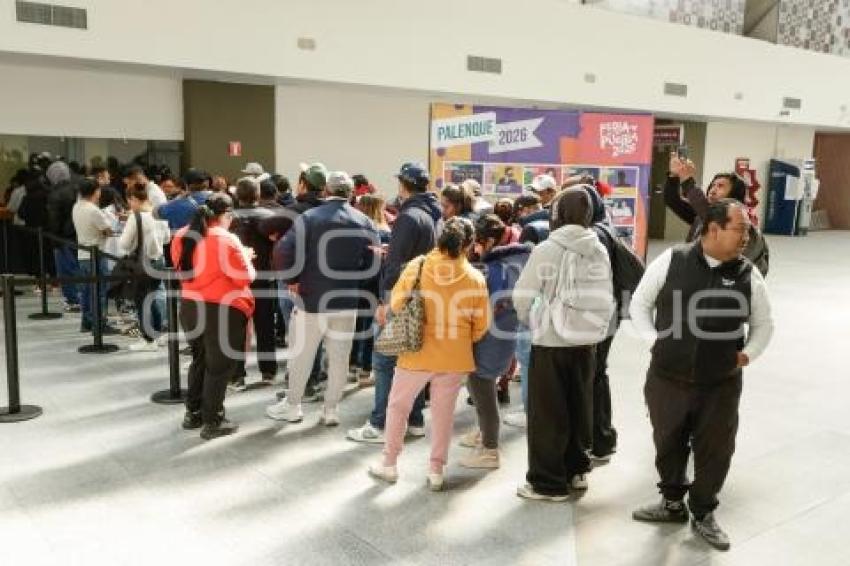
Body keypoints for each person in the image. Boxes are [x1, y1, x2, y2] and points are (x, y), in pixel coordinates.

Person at [630, 199, 773, 551]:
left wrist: (748, 353)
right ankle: (672, 502)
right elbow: (639, 304)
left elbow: (764, 323)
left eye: (748, 230)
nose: (747, 236)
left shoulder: (747, 273)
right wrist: (653, 341)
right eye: (741, 229)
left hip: (719, 384)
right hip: (666, 377)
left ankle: (704, 511)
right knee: (668, 440)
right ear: (713, 229)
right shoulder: (672, 260)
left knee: (715, 449)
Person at [368, 218, 491, 490]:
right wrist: (461, 338)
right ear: (469, 244)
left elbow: (398, 303)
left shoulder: (419, 265)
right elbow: (482, 325)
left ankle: (389, 464)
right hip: (454, 356)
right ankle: (436, 470)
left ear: (439, 238)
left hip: (416, 351)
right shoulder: (475, 277)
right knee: (443, 413)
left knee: (398, 405)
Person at [512, 188, 615, 502]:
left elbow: (523, 296)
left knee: (548, 414)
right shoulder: (599, 248)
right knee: (579, 406)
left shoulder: (548, 248)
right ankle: (577, 470)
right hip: (588, 343)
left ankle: (547, 483)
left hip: (552, 342)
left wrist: (531, 320)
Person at [265, 171, 379, 426]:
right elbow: (374, 262)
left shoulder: (310, 218)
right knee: (339, 359)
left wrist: (292, 280)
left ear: (327, 191)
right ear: (350, 193)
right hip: (346, 302)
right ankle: (331, 411)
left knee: (301, 356)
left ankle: (293, 406)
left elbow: (284, 250)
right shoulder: (364, 221)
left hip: (311, 300)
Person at [347, 162, 441, 444]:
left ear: (404, 185)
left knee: (384, 360)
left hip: (401, 296)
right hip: (421, 294)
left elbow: (398, 265)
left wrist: (385, 300)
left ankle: (380, 424)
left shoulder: (408, 217)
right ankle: (414, 421)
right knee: (408, 360)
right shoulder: (430, 215)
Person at [171, 193, 255, 440]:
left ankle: (193, 413)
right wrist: (246, 257)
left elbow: (182, 267)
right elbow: (245, 277)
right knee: (219, 367)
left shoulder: (181, 235)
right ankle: (213, 421)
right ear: (226, 215)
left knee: (200, 359)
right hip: (222, 309)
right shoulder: (226, 239)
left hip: (189, 307)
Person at [459, 214, 532, 470]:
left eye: (476, 243)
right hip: (506, 333)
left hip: (491, 336)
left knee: (482, 387)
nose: (473, 249)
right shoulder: (519, 258)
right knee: (480, 385)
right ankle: (483, 433)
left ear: (488, 241)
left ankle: (490, 449)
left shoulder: (496, 269)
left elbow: (485, 305)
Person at [665, 154, 769, 275]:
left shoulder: (745, 224)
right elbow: (672, 200)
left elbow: (711, 214)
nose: (713, 190)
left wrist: (687, 180)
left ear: (734, 194)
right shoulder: (702, 217)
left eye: (720, 186)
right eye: (712, 185)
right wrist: (673, 176)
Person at [230, 177, 278, 386]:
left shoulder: (229, 219)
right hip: (265, 278)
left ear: (237, 195)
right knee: (266, 325)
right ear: (258, 194)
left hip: (236, 281)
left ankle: (237, 375)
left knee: (237, 328)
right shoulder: (271, 217)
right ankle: (268, 371)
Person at [119, 182, 171, 352]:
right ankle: (158, 334)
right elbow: (167, 239)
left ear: (133, 198)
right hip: (159, 261)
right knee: (155, 298)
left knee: (142, 301)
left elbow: (124, 244)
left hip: (142, 263)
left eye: (129, 200)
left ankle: (148, 339)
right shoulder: (159, 213)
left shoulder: (136, 217)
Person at [351, 194, 392, 386]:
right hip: (375, 285)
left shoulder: (357, 229)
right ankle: (365, 369)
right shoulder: (385, 231)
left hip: (355, 282)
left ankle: (352, 364)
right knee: (368, 327)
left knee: (355, 325)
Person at [72, 179, 118, 334]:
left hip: (82, 254)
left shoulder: (76, 206)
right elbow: (108, 230)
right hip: (96, 254)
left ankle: (87, 322)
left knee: (85, 291)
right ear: (95, 191)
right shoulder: (93, 210)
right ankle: (100, 324)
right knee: (99, 291)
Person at [46, 161, 83, 311]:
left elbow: (54, 220)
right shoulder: (78, 187)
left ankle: (73, 300)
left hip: (63, 238)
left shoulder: (55, 194)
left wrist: (54, 239)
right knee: (80, 269)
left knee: (66, 270)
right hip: (80, 235)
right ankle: (82, 298)